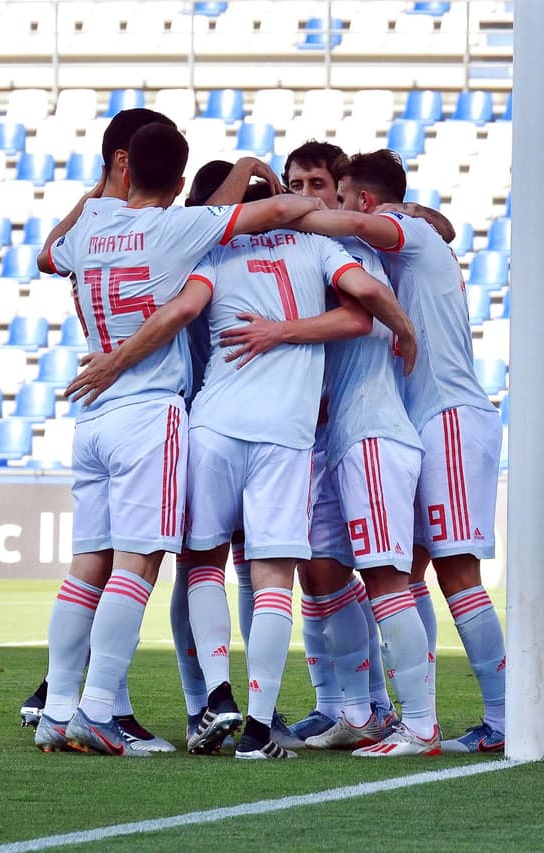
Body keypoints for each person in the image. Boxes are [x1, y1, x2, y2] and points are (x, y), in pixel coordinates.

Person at [30, 122, 323, 757]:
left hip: (92, 413)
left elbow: (44, 254)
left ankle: (56, 709)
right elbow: (275, 208)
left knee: (88, 565)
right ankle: (99, 709)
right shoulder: (178, 229)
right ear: (183, 181)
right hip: (147, 413)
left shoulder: (87, 228)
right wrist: (261, 173)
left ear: (122, 167)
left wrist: (101, 191)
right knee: (138, 565)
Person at [226, 140, 439, 756]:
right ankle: (353, 707)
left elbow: (367, 314)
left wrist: (278, 332)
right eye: (293, 181)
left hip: (372, 432)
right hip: (329, 438)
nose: (302, 192)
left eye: (316, 183)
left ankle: (418, 721)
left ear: (340, 191)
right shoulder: (297, 253)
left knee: (387, 577)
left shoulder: (348, 248)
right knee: (321, 573)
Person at [298, 149, 506, 754]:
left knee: (456, 572)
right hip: (417, 422)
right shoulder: (411, 235)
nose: (328, 207)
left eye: (336, 198)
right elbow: (426, 224)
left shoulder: (404, 231)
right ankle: (408, 716)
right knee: (407, 574)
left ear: (361, 201)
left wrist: (287, 216)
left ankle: (501, 718)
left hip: (449, 416)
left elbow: (376, 224)